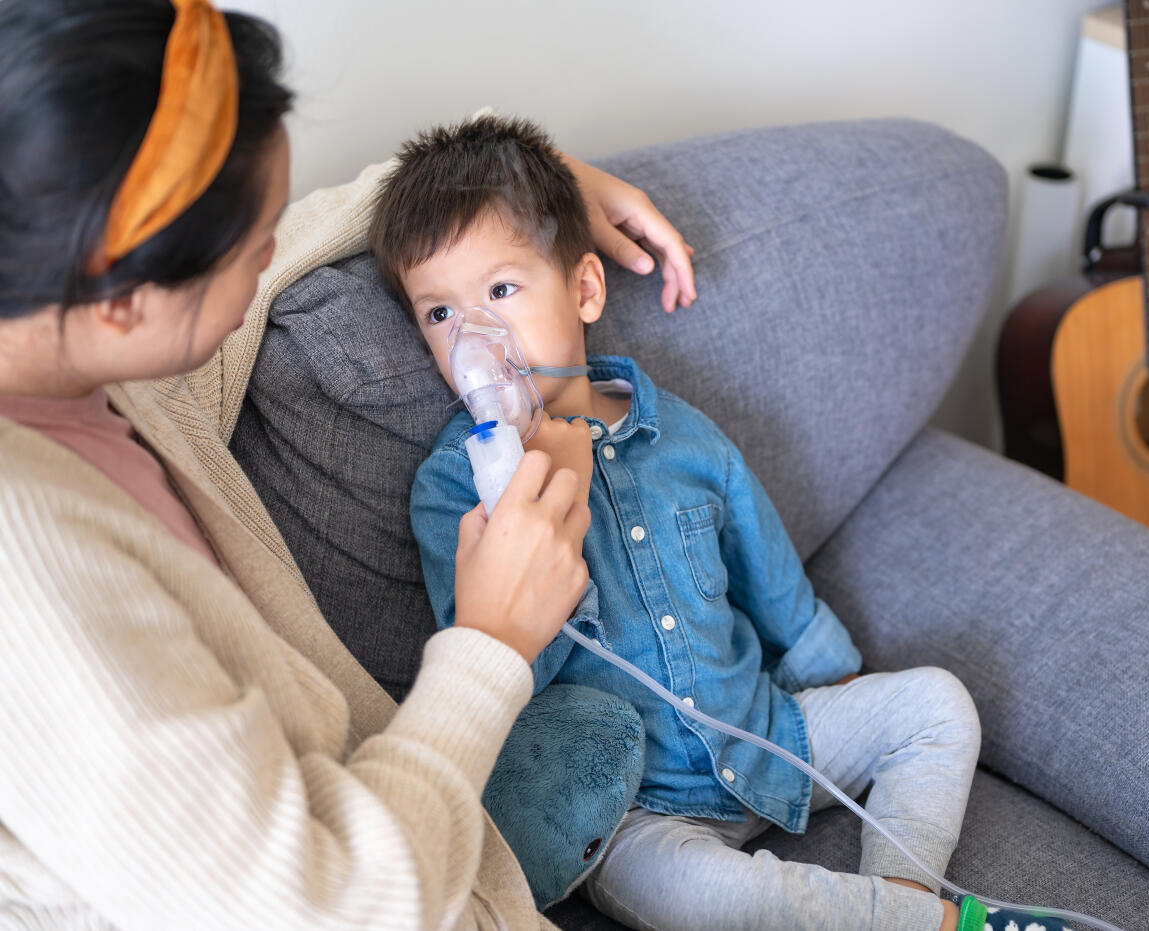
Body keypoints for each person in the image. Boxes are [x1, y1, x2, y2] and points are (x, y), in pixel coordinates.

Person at [0, 1, 697, 927]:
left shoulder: (109, 374)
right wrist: (489, 645)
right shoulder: (33, 578)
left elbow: (303, 239)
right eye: (250, 248)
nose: (270, 258)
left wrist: (534, 190)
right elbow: (327, 907)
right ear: (125, 291)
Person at [384, 115, 1057, 931]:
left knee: (939, 705)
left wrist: (829, 673)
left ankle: (904, 901)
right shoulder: (453, 489)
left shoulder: (686, 438)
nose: (477, 339)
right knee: (703, 899)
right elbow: (492, 673)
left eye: (500, 291)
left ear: (586, 289)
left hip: (765, 731)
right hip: (636, 813)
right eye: (440, 314)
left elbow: (766, 566)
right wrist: (533, 495)